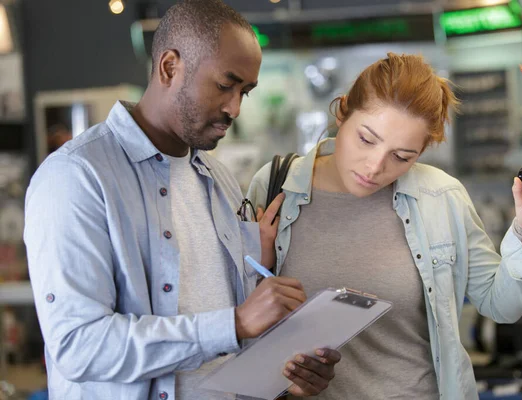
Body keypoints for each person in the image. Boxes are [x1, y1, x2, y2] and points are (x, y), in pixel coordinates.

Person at [23, 1, 340, 399]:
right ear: (170, 67)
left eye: (246, 91)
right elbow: (79, 346)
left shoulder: (219, 179)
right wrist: (235, 323)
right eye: (226, 85)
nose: (235, 107)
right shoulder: (76, 176)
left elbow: (227, 337)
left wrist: (286, 370)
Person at [247, 53, 522, 399]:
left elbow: (502, 305)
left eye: (402, 156)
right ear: (343, 112)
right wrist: (256, 265)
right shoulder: (274, 186)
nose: (375, 167)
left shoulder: (440, 196)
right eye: (366, 139)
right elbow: (239, 318)